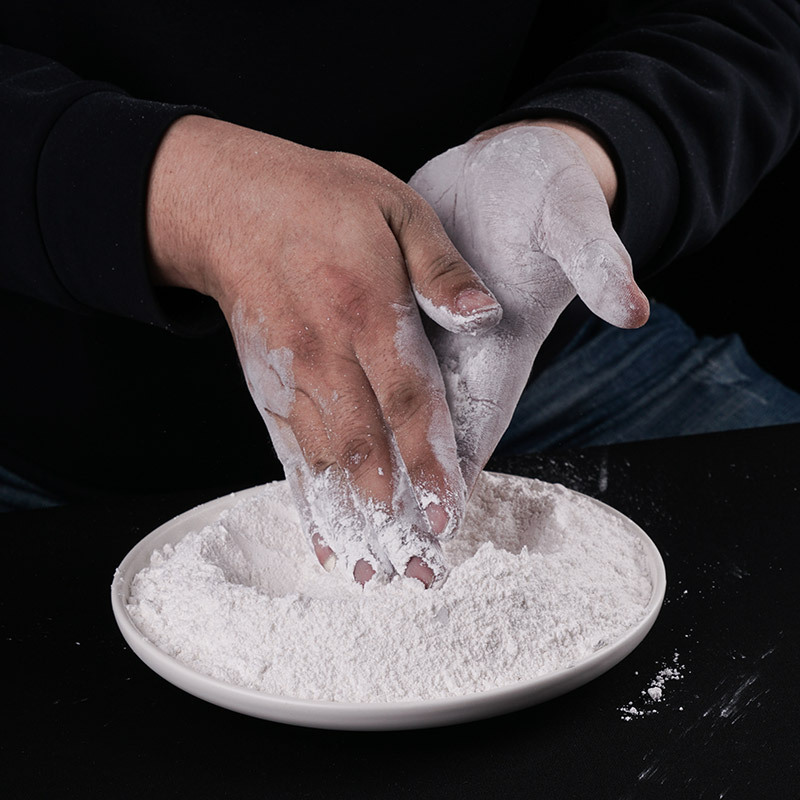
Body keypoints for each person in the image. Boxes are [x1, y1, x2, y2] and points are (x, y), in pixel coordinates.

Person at [2, 1, 799, 584]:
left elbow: (748, 19)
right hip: (61, 434)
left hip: (521, 351)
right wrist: (191, 199)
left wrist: (587, 138)